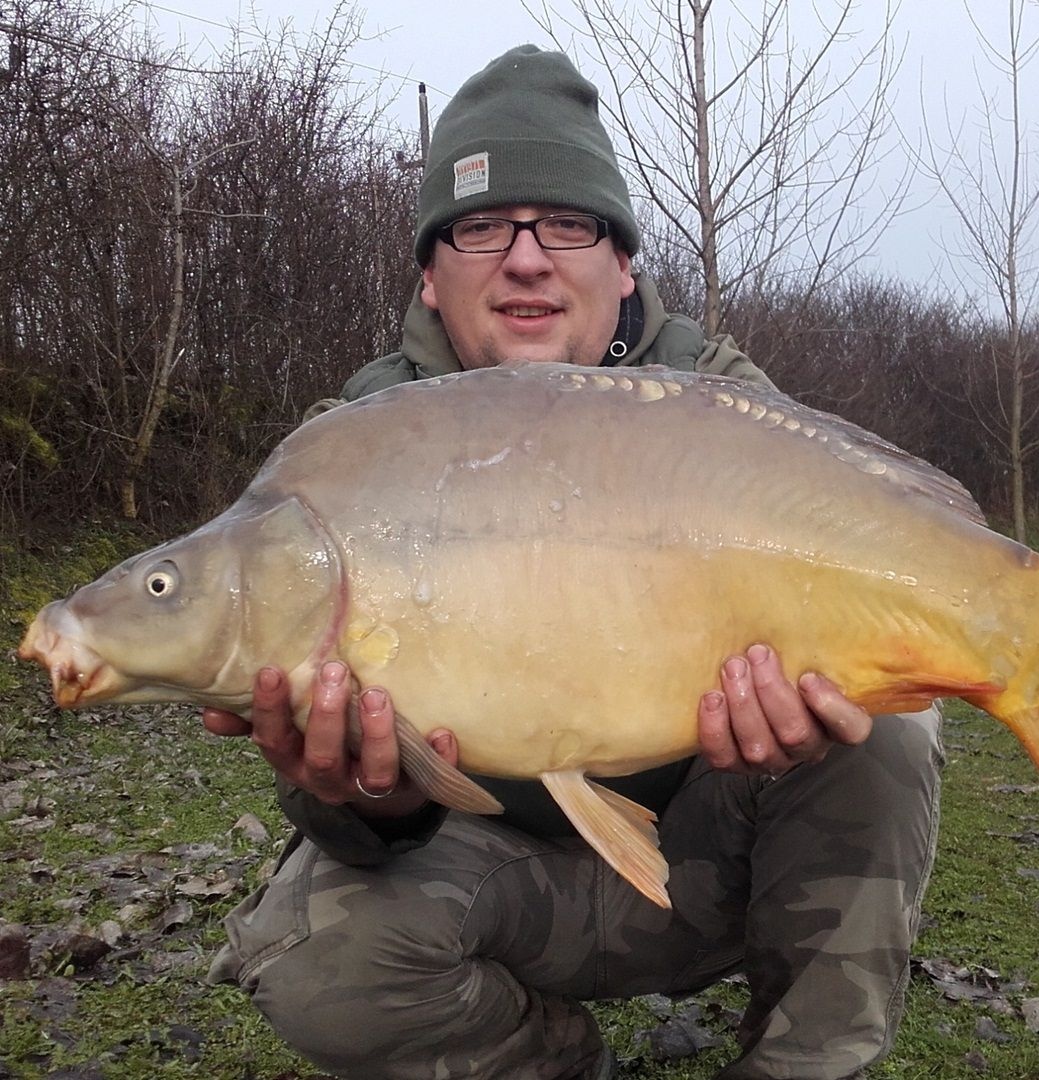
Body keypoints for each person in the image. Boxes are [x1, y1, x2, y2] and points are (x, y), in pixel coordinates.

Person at [203, 45, 943, 1080]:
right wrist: (363, 792)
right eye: (478, 226)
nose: (524, 258)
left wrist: (794, 724)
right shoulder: (352, 454)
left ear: (622, 261)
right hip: (488, 881)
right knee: (319, 957)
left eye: (566, 223)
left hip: (707, 862)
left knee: (884, 719)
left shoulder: (720, 405)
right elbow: (349, 825)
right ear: (429, 268)